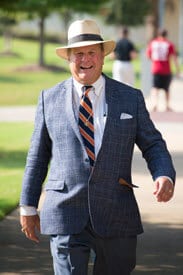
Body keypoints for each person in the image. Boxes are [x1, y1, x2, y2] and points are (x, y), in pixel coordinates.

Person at [20, 19, 175, 275]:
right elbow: (37, 157)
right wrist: (28, 205)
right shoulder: (49, 99)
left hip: (117, 212)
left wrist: (164, 174)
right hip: (65, 212)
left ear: (103, 57)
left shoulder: (130, 97)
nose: (86, 59)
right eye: (78, 53)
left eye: (92, 52)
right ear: (68, 58)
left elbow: (153, 144)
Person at [146, 28, 179, 111]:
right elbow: (174, 58)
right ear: (166, 35)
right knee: (166, 88)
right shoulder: (169, 44)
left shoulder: (153, 43)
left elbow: (148, 55)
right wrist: (177, 69)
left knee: (155, 87)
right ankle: (167, 105)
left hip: (156, 68)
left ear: (158, 34)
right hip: (166, 69)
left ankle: (154, 104)